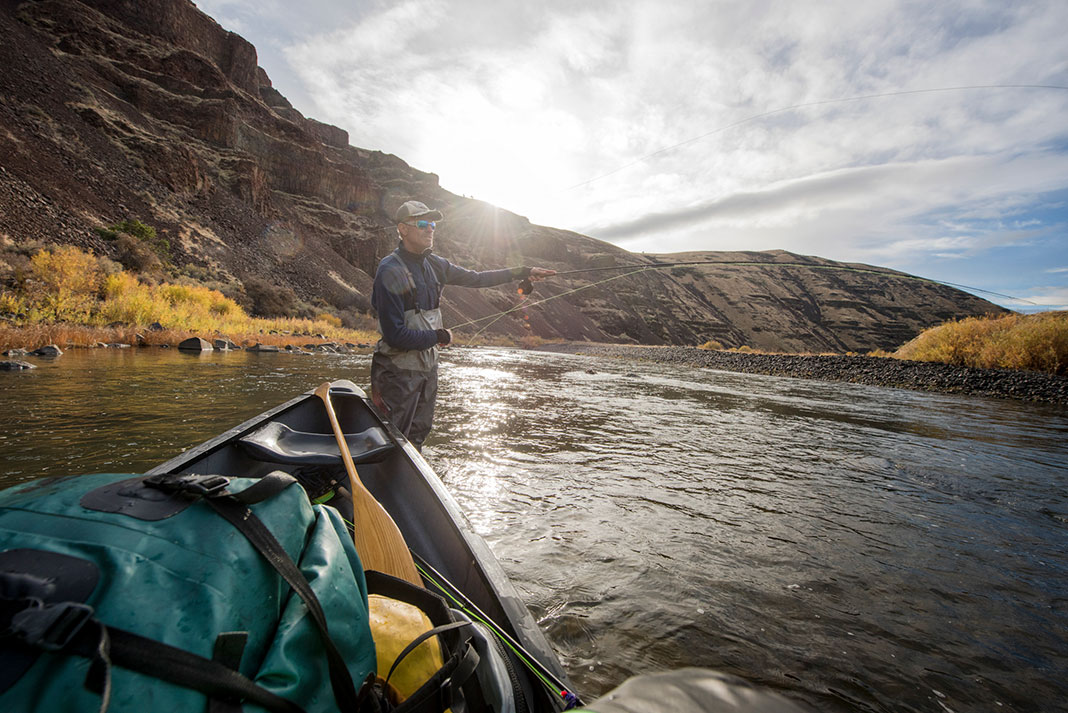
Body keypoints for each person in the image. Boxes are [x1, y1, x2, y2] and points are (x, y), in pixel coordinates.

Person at [370, 200, 555, 449]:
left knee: (417, 435)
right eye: (423, 223)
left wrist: (523, 271)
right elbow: (394, 335)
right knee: (391, 438)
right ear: (403, 229)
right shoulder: (389, 269)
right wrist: (439, 336)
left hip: (427, 368)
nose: (430, 229)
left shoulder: (436, 265)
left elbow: (477, 278)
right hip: (395, 373)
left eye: (433, 224)